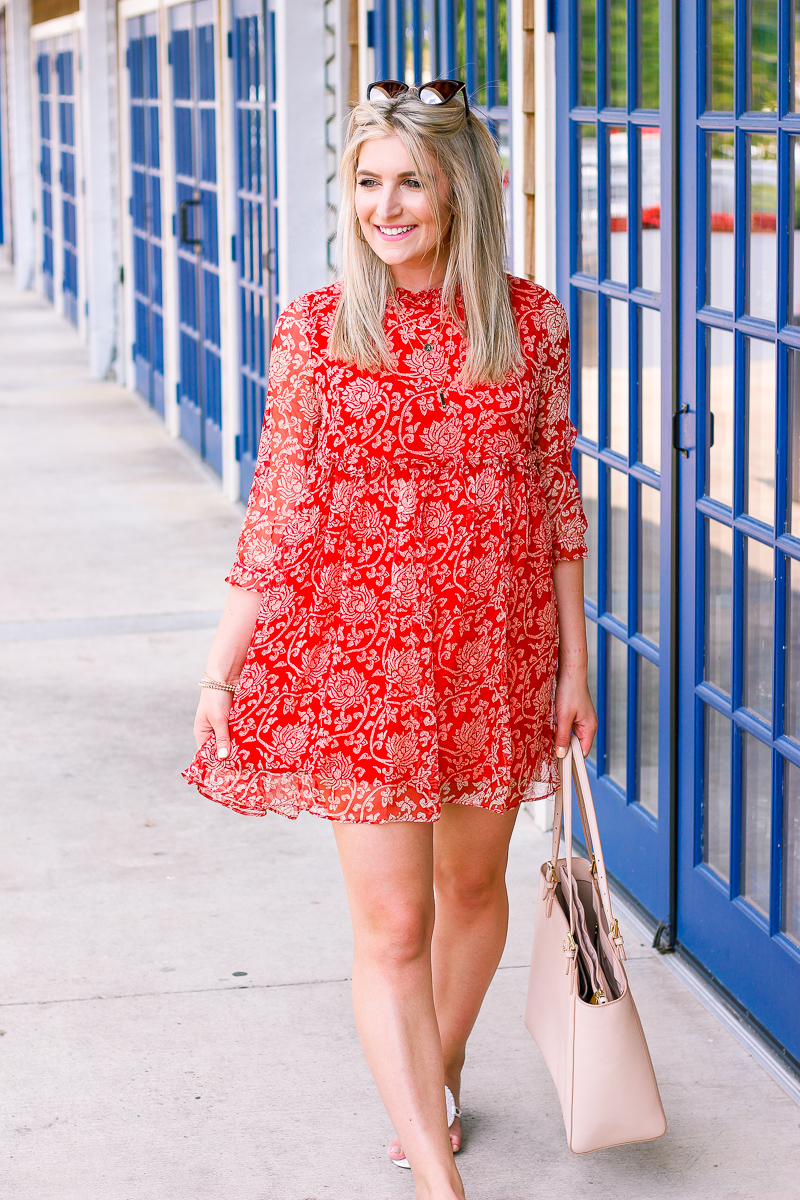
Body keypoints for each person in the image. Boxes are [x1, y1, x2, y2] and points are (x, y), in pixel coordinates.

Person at [184, 79, 596, 1200]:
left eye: (410, 180)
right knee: (394, 918)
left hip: (490, 651)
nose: (386, 204)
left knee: (469, 892)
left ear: (461, 188)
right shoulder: (318, 326)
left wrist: (574, 660)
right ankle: (431, 1172)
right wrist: (221, 667)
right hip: (355, 659)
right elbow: (277, 503)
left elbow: (555, 496)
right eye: (367, 182)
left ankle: (441, 1065)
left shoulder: (532, 319)